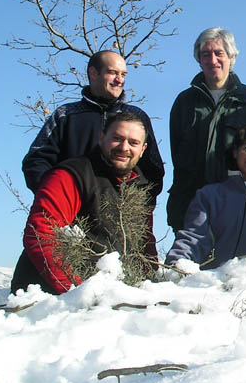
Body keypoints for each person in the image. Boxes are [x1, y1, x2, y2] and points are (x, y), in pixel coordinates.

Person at [11, 112, 157, 295]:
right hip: (48, 298)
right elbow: (41, 234)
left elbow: (145, 246)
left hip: (107, 298)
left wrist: (150, 287)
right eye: (117, 138)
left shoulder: (140, 189)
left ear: (143, 149)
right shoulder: (72, 176)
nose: (124, 147)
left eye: (133, 142)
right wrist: (78, 291)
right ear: (101, 138)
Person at [168, 28, 246, 232]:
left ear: (231, 57)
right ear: (198, 60)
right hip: (190, 206)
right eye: (205, 54)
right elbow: (176, 156)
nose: (212, 59)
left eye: (219, 53)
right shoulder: (184, 102)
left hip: (237, 208)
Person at [22, 50, 164, 197]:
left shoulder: (137, 117)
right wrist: (55, 196)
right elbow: (36, 160)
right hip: (71, 213)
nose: (120, 80)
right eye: (113, 72)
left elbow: (154, 169)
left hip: (122, 215)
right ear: (93, 73)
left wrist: (135, 204)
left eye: (123, 74)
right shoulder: (65, 115)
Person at [166, 123, 246, 270]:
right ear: (235, 151)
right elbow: (193, 238)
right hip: (210, 283)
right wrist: (176, 265)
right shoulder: (209, 195)